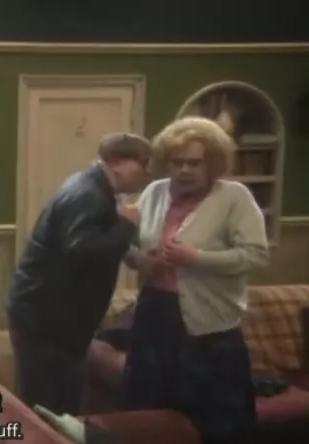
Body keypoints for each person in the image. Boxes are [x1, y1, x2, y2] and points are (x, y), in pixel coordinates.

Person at [121, 116, 268, 443]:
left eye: (195, 162)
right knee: (148, 413)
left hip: (209, 328)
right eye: (178, 162)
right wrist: (140, 260)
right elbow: (129, 244)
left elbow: (256, 256)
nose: (185, 170)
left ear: (212, 163)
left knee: (216, 420)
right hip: (154, 316)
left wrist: (196, 258)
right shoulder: (154, 193)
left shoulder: (234, 198)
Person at [6, 133, 151, 415]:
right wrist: (125, 225)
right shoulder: (89, 194)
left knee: (49, 400)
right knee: (48, 406)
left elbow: (90, 238)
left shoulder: (92, 187)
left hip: (48, 314)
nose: (147, 172)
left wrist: (133, 255)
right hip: (49, 320)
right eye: (143, 163)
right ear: (117, 162)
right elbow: (81, 251)